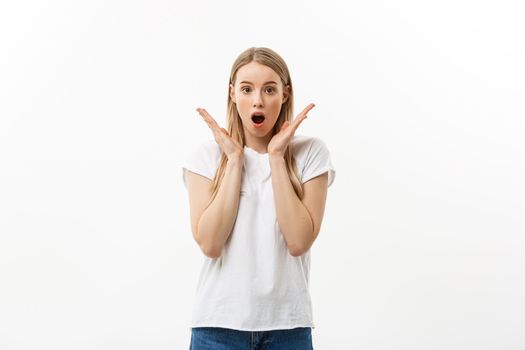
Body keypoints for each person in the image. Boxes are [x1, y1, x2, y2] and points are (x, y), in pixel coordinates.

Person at [182, 47, 336, 349]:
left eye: (269, 89)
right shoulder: (206, 156)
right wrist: (235, 160)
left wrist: (277, 157)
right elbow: (211, 245)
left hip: (288, 328)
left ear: (285, 94)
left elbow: (298, 241)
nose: (258, 100)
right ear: (232, 94)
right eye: (247, 89)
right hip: (217, 327)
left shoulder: (311, 153)